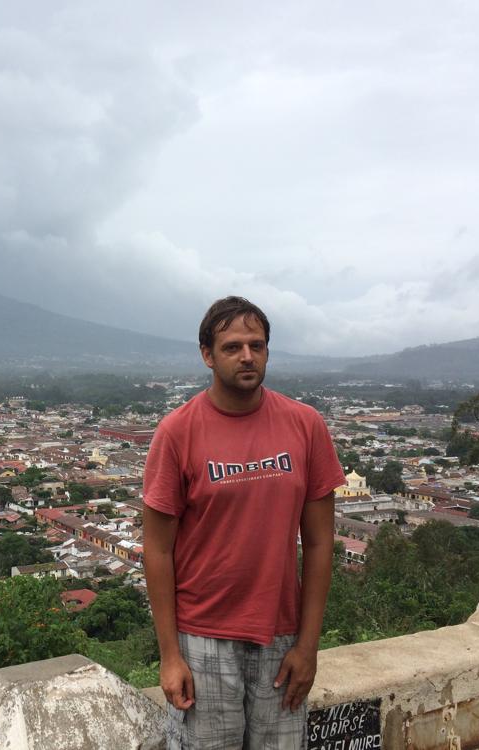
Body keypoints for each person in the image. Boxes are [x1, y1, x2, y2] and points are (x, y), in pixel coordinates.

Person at [143, 296, 345, 750]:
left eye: (257, 344)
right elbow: (155, 550)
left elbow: (318, 542)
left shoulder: (305, 425)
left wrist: (308, 646)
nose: (247, 356)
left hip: (281, 633)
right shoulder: (177, 432)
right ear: (207, 355)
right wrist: (170, 655)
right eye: (232, 346)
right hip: (203, 637)